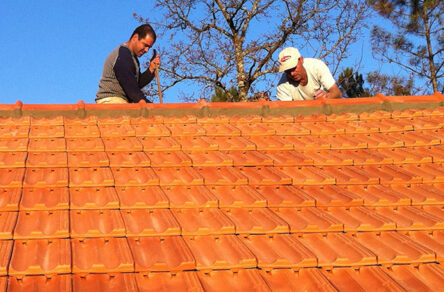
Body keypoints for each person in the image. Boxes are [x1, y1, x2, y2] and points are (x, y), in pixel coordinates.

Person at [96, 24, 160, 104]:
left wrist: (151, 69)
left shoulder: (133, 58)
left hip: (121, 101)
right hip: (111, 102)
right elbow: (133, 91)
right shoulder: (123, 55)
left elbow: (136, 84)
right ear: (135, 38)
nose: (147, 50)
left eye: (149, 47)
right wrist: (155, 109)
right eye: (145, 45)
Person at [276, 47, 342, 101]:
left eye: (294, 68)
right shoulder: (282, 86)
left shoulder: (316, 66)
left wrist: (326, 98)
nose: (292, 73)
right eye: (287, 70)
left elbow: (336, 93)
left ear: (301, 60)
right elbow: (286, 112)